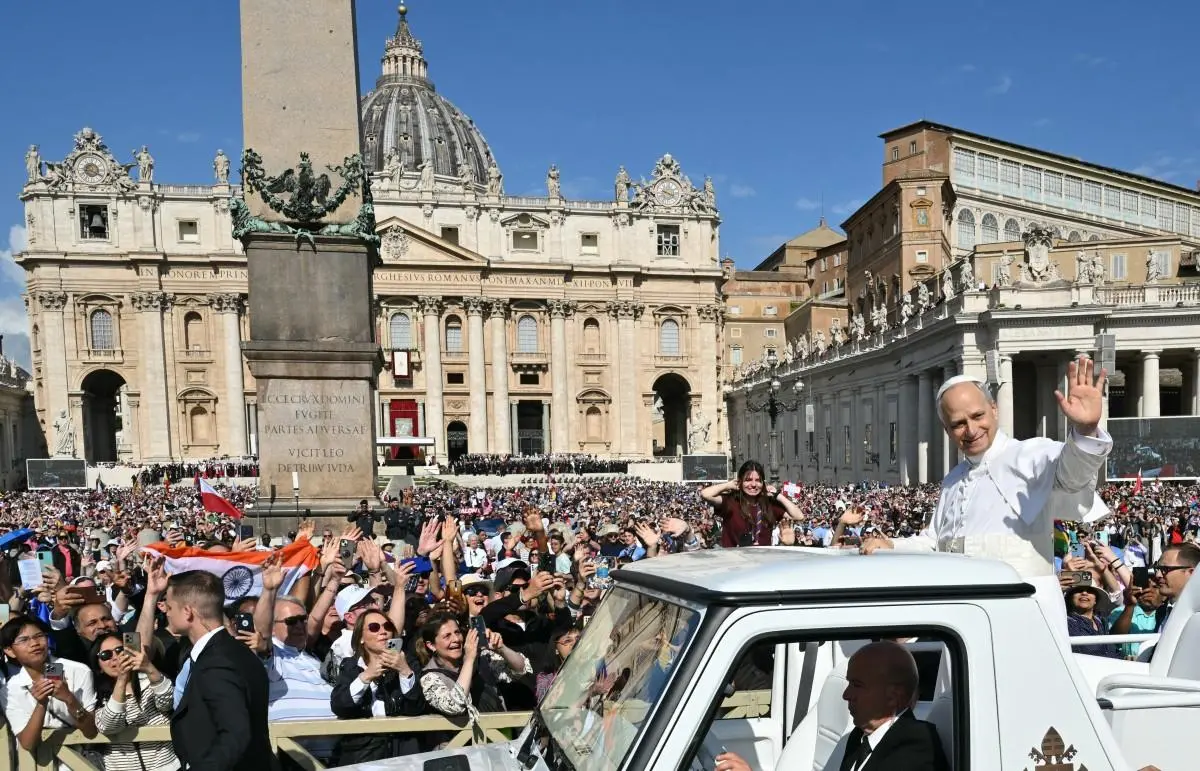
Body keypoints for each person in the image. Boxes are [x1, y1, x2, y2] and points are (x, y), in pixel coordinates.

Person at [863, 357, 1111, 579]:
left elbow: (1072, 477)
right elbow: (935, 543)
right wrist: (893, 546)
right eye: (958, 424)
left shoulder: (1030, 454)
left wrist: (1085, 431)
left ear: (994, 409)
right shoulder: (953, 480)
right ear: (946, 430)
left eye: (977, 415)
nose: (971, 430)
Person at [715, 641, 946, 771]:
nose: (846, 695)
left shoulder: (917, 747)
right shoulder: (862, 737)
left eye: (857, 685)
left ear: (893, 696)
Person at [164, 570, 277, 771]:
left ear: (188, 611)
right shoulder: (239, 653)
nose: (166, 612)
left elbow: (236, 734)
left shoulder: (217, 662)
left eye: (170, 606)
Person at [90, 632, 179, 771]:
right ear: (99, 666)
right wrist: (122, 680)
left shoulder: (151, 680)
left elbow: (168, 702)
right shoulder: (99, 695)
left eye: (119, 650)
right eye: (106, 655)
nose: (115, 657)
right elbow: (109, 726)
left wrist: (149, 668)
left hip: (167, 766)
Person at [700, 460, 805, 547]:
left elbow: (799, 516)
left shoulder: (769, 505)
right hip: (734, 561)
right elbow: (705, 494)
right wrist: (728, 485)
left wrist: (777, 495)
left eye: (758, 480)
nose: (753, 484)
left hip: (761, 562)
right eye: (748, 480)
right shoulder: (731, 502)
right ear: (740, 482)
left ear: (763, 483)